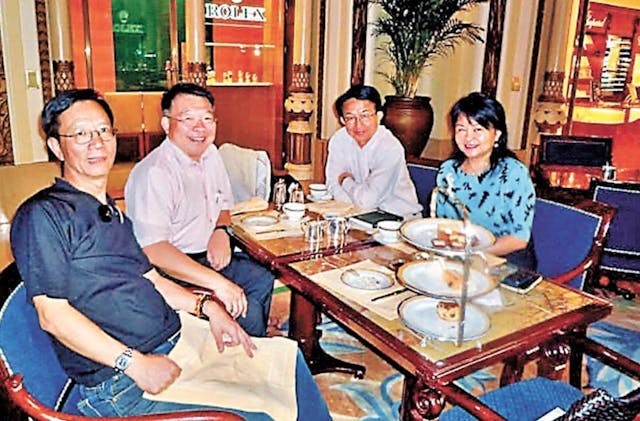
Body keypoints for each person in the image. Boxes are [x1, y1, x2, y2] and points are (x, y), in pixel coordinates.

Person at [10, 89, 330, 419]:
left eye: (104, 130)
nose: (97, 142)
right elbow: (53, 314)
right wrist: (135, 364)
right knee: (263, 413)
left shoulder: (110, 212)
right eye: (81, 134)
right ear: (55, 146)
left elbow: (151, 278)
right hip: (123, 381)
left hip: (177, 341)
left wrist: (207, 307)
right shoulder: (44, 215)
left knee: (287, 361)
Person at [125, 83, 273, 337]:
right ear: (166, 124)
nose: (199, 127)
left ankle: (247, 338)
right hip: (171, 269)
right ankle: (241, 342)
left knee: (261, 278)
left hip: (209, 255)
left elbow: (224, 203)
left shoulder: (211, 153)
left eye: (206, 118)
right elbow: (154, 250)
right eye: (188, 119)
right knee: (246, 310)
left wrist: (221, 231)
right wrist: (218, 283)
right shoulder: (155, 173)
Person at [435, 92, 537, 269]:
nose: (468, 138)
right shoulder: (448, 171)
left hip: (506, 261)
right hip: (459, 259)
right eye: (461, 129)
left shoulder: (513, 173)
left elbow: (519, 239)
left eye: (478, 130)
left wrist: (471, 254)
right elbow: (443, 226)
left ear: (496, 134)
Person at [325, 84, 422, 218]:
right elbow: (332, 185)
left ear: (379, 116)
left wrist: (345, 180)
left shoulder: (390, 147)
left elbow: (368, 201)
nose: (358, 124)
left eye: (365, 116)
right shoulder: (339, 139)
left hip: (398, 219)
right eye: (350, 118)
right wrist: (353, 206)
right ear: (342, 120)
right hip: (355, 214)